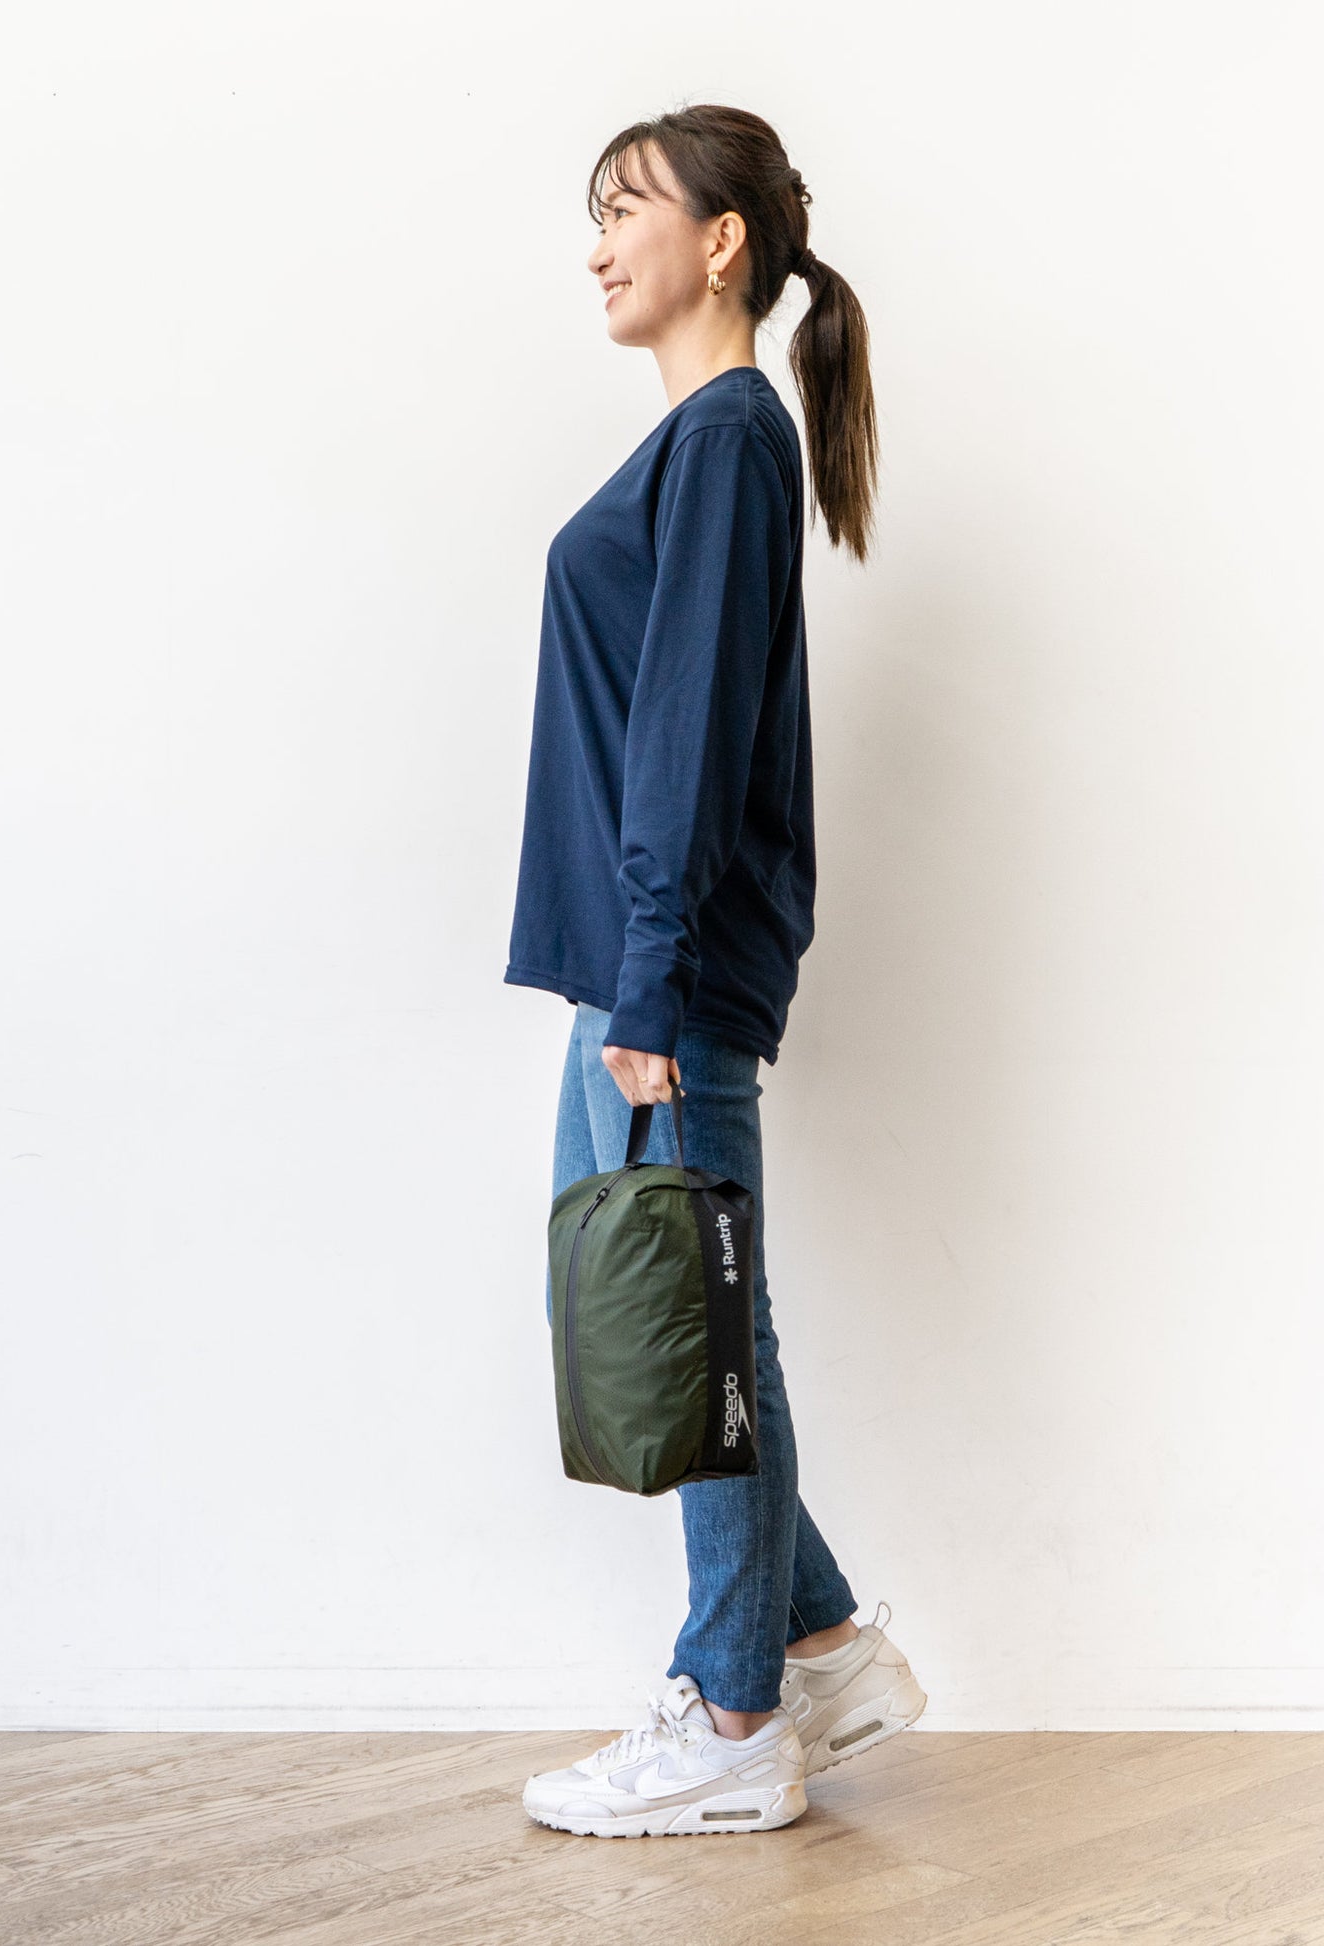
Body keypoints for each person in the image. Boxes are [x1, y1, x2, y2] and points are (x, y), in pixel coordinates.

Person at [504, 105, 926, 1838]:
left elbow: (683, 732)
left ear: (721, 239)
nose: (599, 245)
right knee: (674, 1322)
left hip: (661, 971)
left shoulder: (732, 436)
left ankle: (736, 1712)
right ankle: (813, 1643)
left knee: (693, 1331)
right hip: (637, 962)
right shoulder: (707, 441)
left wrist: (655, 983)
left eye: (627, 209)